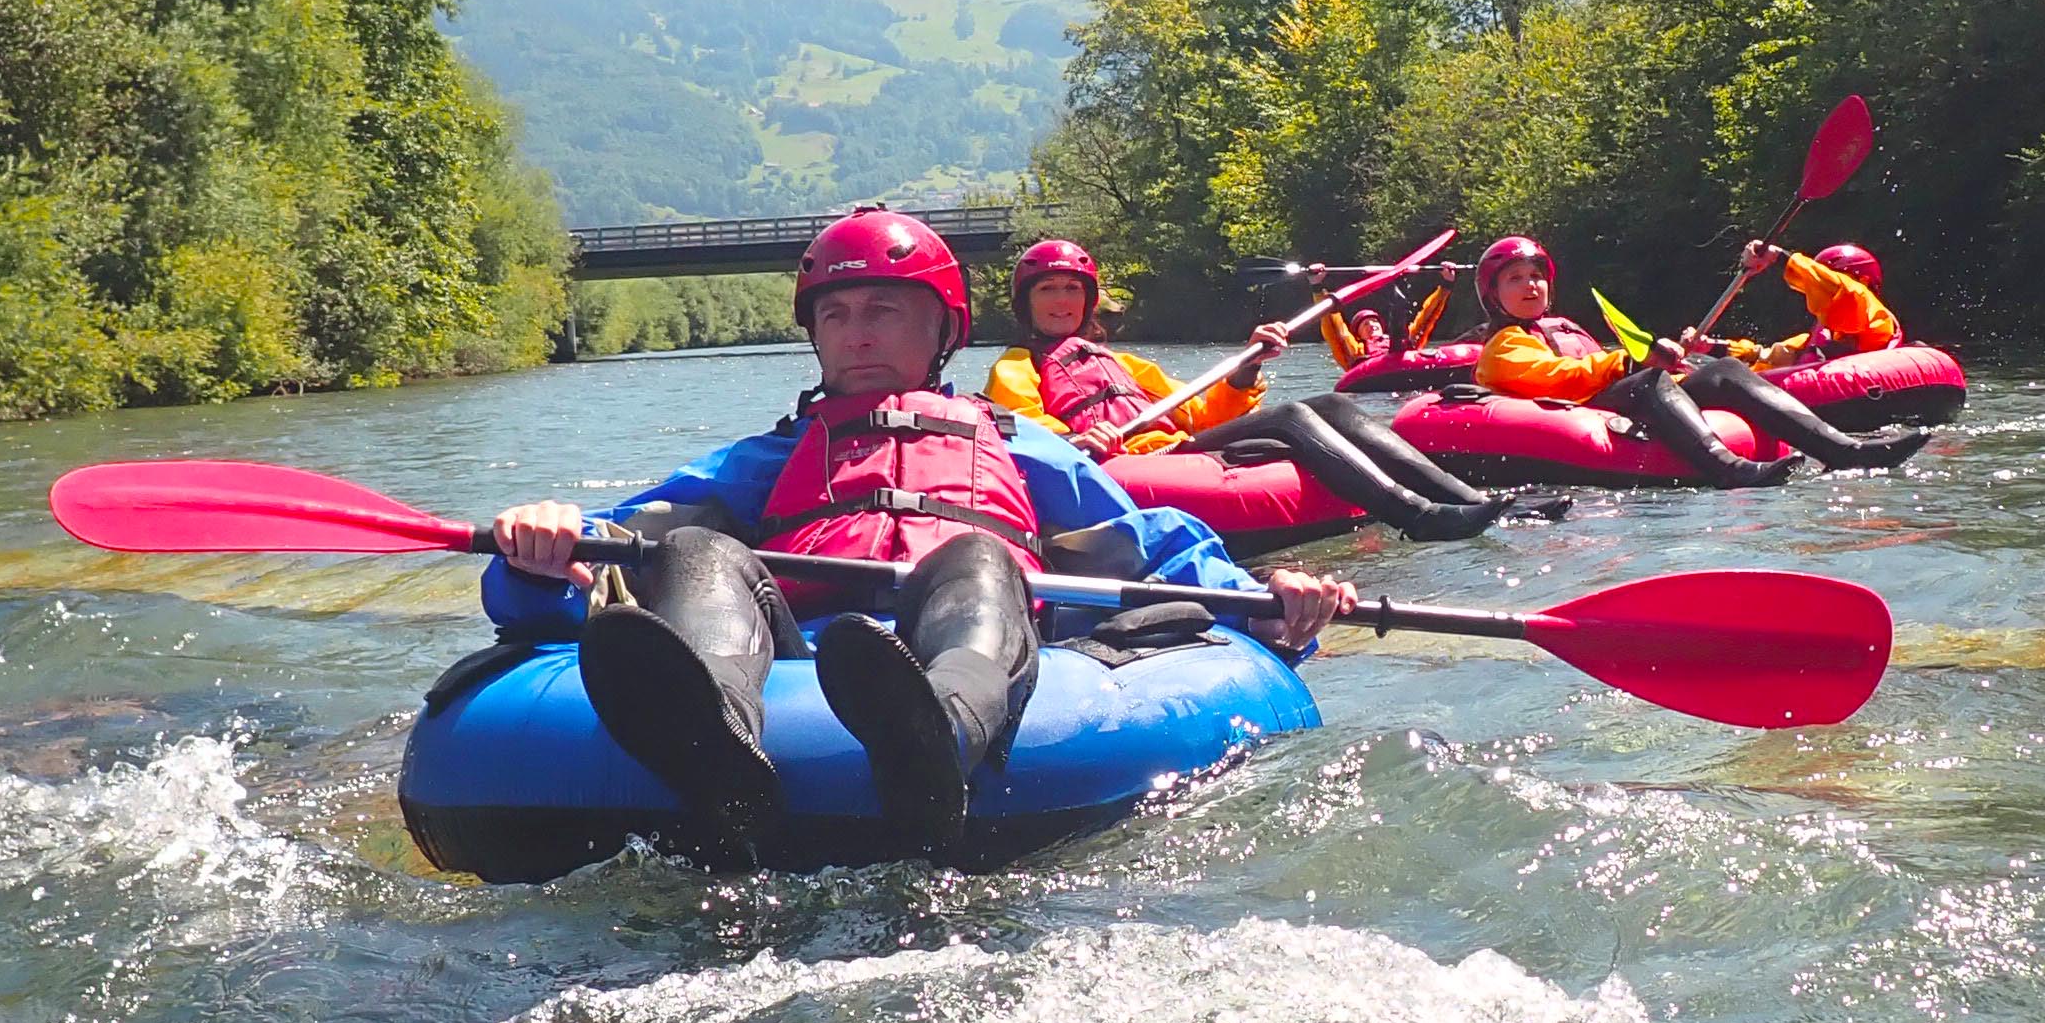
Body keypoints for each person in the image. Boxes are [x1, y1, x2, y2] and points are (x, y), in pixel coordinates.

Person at [487, 209, 1351, 864]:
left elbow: (1152, 543)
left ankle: (938, 739)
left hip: (961, 645)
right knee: (697, 555)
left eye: (887, 310)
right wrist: (546, 551)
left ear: (943, 330)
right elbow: (619, 548)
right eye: (836, 314)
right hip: (804, 656)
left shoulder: (1014, 442)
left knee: (973, 557)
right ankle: (713, 745)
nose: (857, 330)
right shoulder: (770, 457)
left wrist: (1263, 604)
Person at [986, 239, 1499, 542]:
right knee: (1293, 416)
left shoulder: (1124, 364)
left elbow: (1205, 412)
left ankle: (1467, 498)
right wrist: (1078, 439)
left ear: (1089, 300)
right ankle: (1418, 517)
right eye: (1048, 290)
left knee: (1332, 404)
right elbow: (1027, 434)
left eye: (1072, 289)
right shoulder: (1015, 366)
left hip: (1175, 449)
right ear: (1026, 303)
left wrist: (1246, 369)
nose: (1061, 301)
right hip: (1122, 464)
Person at [1466, 236, 1927, 488]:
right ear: (1494, 294)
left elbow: (1600, 363)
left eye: (1535, 278)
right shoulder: (1504, 342)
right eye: (1515, 280)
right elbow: (1555, 378)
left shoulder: (1562, 327)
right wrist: (1628, 363)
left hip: (1610, 395)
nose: (1530, 287)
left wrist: (1680, 362)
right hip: (1587, 405)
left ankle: (1842, 451)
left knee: (1723, 373)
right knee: (1647, 380)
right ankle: (1728, 468)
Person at [1694, 239, 1903, 370]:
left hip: (1862, 396)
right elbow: (1767, 356)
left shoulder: (1873, 314)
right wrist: (1713, 346)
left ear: (1864, 281)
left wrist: (1780, 258)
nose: (1813, 289)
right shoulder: (1818, 337)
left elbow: (1842, 290)